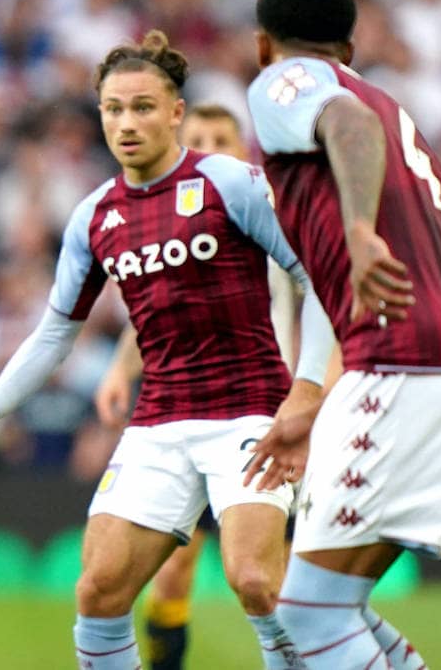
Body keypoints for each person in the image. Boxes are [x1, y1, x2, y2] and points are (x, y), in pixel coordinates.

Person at [0, 30, 333, 670]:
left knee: (254, 581)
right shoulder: (94, 216)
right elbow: (55, 333)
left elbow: (316, 278)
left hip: (249, 412)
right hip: (158, 422)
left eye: (143, 107)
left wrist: (308, 391)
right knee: (98, 591)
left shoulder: (229, 182)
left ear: (176, 112)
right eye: (113, 108)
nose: (126, 123)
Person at [241, 0, 441, 668]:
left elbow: (345, 123)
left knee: (306, 616)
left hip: (401, 357)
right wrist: (309, 396)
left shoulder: (285, 84)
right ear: (351, 49)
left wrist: (360, 230)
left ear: (263, 46)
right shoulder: (396, 112)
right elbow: (337, 277)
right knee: (336, 602)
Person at [92, 103, 303, 670]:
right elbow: (158, 315)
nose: (208, 148)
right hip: (190, 416)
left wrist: (313, 392)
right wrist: (119, 369)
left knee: (270, 579)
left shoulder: (264, 214)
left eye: (220, 139)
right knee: (171, 576)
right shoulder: (174, 223)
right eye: (198, 139)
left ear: (242, 150)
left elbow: (320, 302)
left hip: (267, 416)